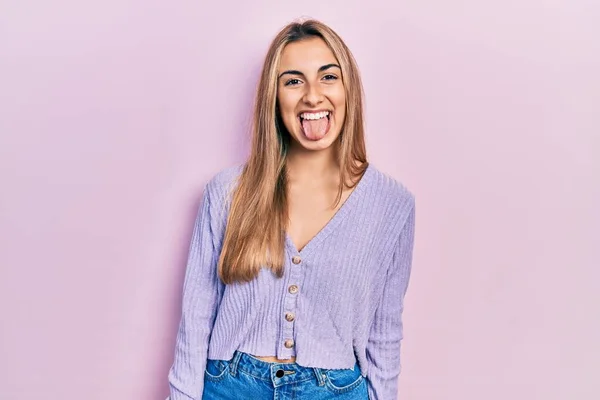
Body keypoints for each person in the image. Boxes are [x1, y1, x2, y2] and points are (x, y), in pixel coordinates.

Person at [167, 18, 416, 400]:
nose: (313, 96)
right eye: (293, 80)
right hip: (230, 386)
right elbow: (196, 318)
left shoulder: (392, 205)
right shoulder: (227, 192)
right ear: (275, 96)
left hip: (334, 391)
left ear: (349, 89)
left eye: (328, 77)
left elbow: (384, 335)